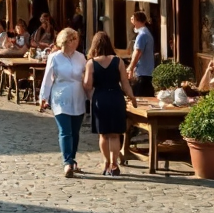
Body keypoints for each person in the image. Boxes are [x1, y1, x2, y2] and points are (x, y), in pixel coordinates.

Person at [83, 31, 136, 176]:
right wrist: (132, 97)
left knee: (103, 135)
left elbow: (87, 85)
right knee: (115, 134)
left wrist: (91, 96)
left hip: (100, 98)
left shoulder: (91, 63)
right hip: (115, 97)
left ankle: (106, 162)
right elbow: (125, 83)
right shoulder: (118, 61)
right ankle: (114, 164)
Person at [39, 28, 87, 178]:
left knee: (75, 132)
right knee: (65, 131)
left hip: (78, 96)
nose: (75, 42)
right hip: (61, 96)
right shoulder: (55, 57)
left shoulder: (81, 57)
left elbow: (86, 77)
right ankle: (67, 162)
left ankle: (72, 160)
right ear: (65, 41)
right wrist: (43, 97)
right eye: (73, 40)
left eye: (76, 39)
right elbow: (48, 79)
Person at [127, 11, 156, 97]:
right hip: (147, 72)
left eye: (132, 20)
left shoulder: (142, 35)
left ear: (137, 21)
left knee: (140, 98)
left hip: (142, 73)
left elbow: (137, 53)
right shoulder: (147, 34)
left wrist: (130, 68)